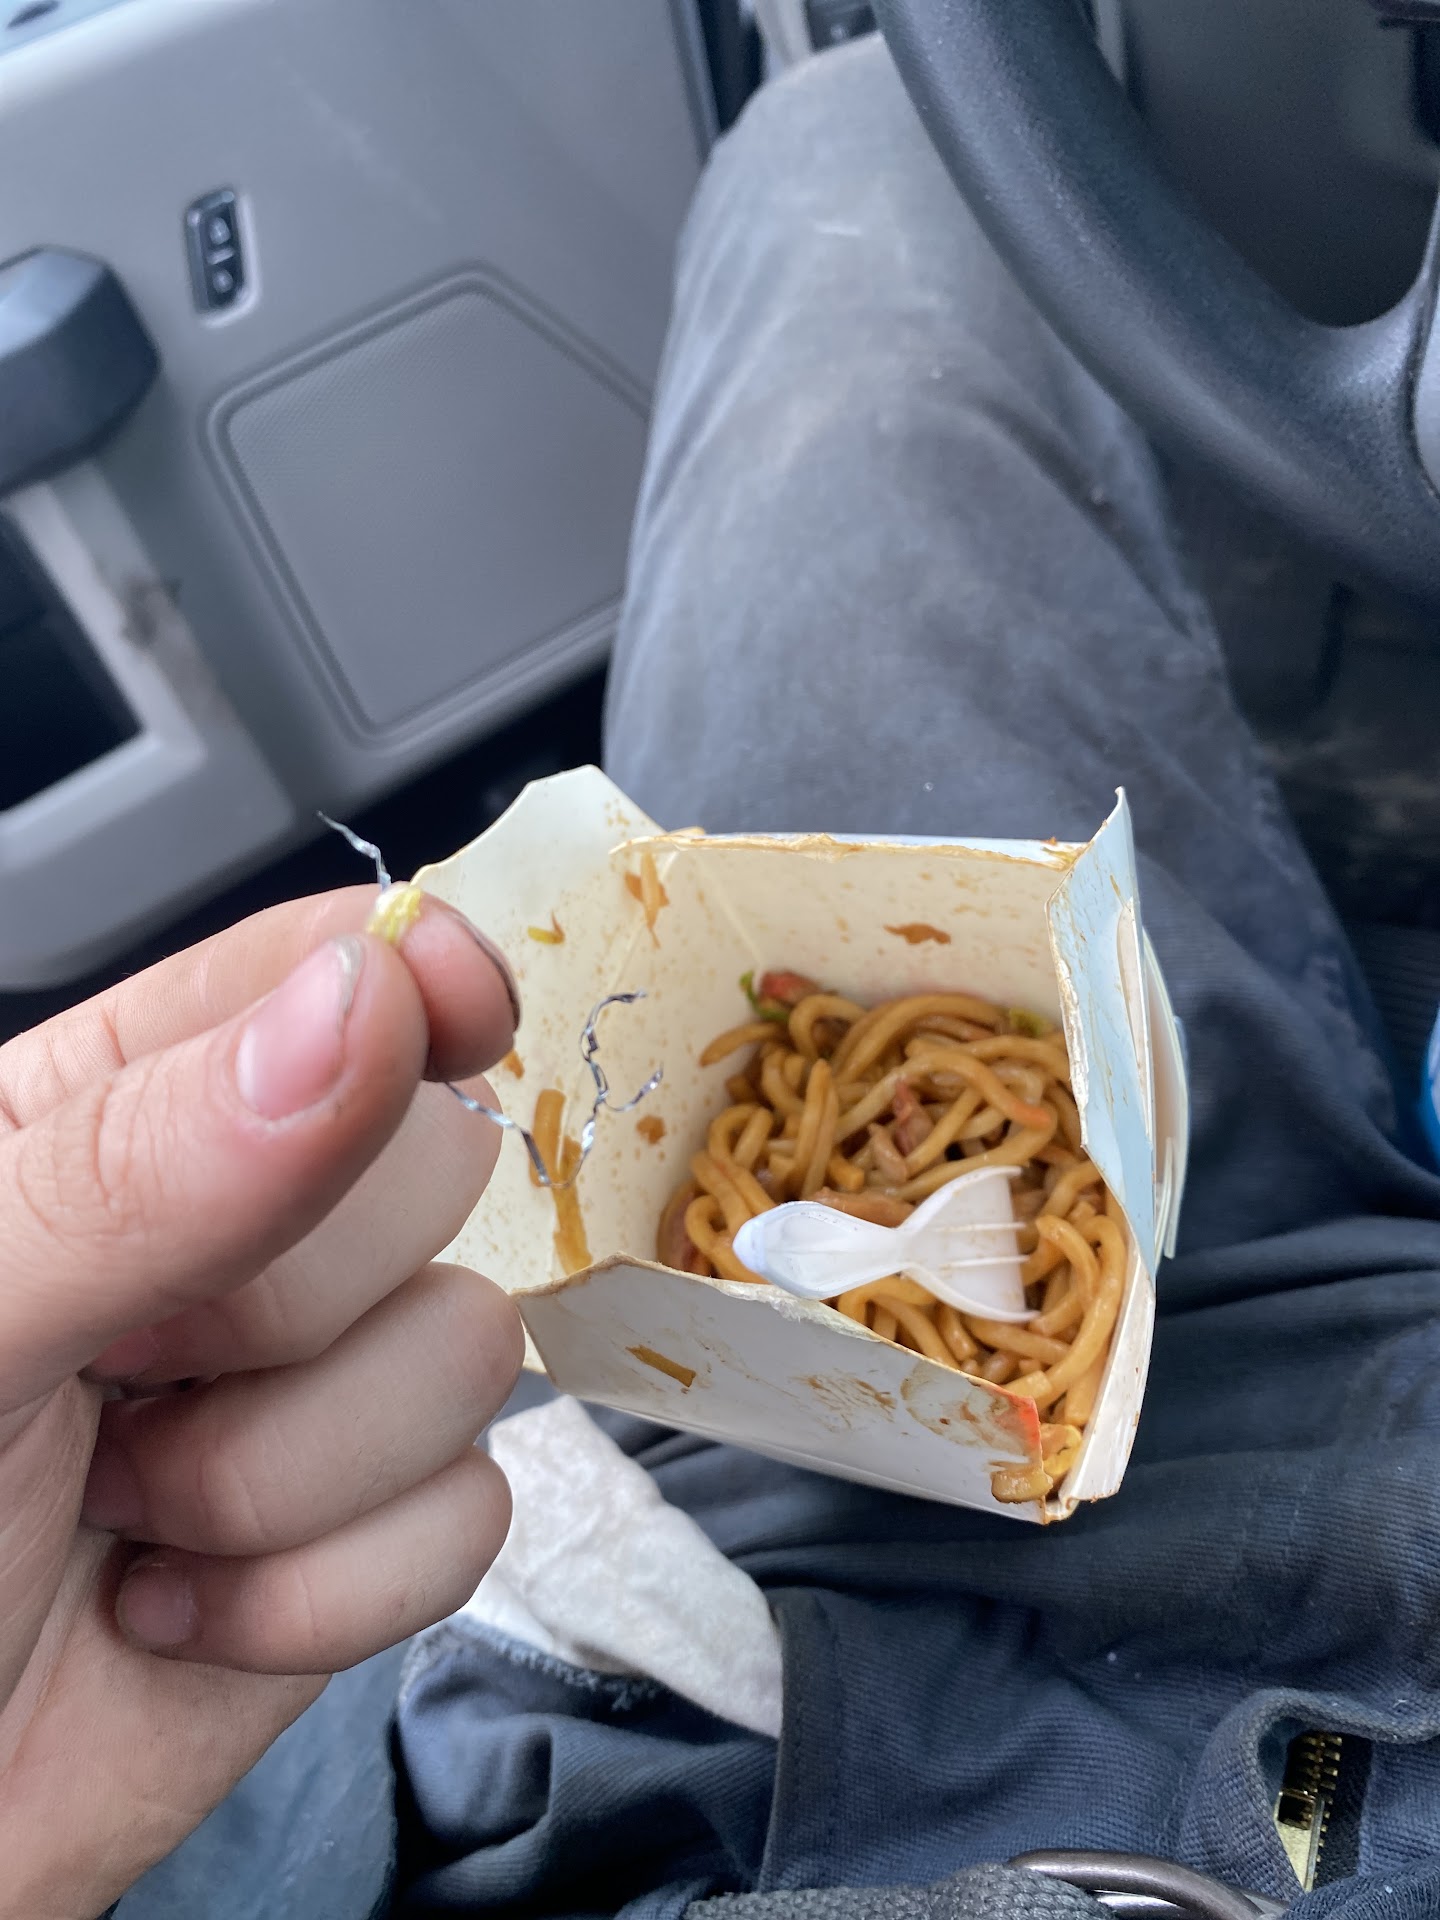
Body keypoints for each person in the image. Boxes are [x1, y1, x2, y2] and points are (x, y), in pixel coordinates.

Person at [5, 32, 1440, 1920]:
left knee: (844, 148)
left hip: (618, 1622)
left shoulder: (82, 1725)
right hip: (1328, 1442)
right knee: (871, 148)